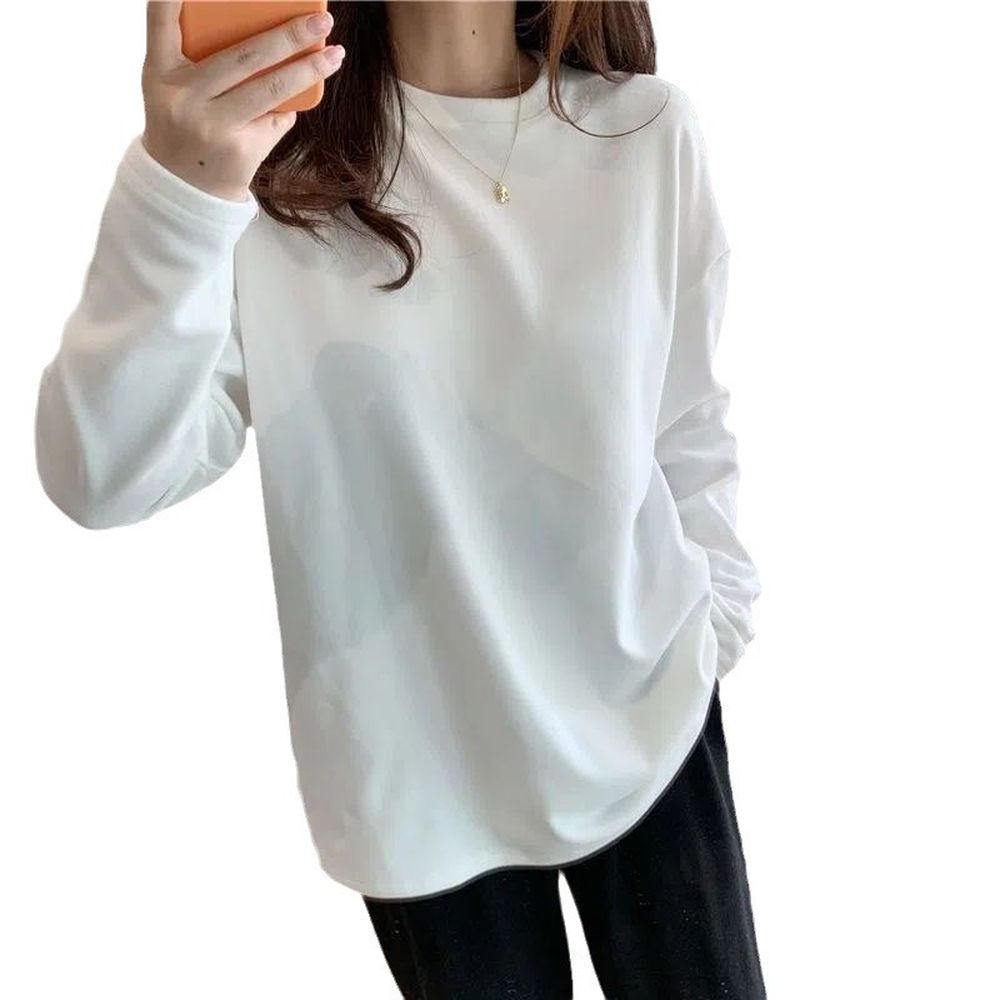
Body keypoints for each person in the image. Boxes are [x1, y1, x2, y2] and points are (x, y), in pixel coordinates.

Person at [33, 2, 765, 996]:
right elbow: (102, 475)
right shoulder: (272, 174)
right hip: (418, 774)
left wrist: (716, 620)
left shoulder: (647, 133)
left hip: (650, 718)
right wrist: (179, 188)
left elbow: (687, 421)